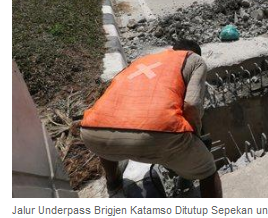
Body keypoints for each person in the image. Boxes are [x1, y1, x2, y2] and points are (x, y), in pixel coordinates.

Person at [80, 40, 222, 198]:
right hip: (157, 136)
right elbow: (192, 104)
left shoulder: (142, 60)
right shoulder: (195, 60)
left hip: (91, 132)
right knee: (208, 170)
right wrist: (194, 137)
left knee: (108, 126)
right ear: (193, 53)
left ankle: (113, 183)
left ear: (171, 50)